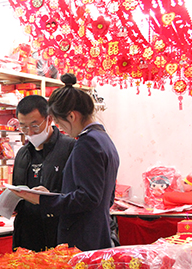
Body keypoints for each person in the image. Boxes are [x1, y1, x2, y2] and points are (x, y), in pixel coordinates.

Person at [12, 74, 119, 251]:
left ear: (71, 116)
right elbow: (105, 197)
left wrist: (44, 200)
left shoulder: (87, 143)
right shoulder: (102, 138)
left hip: (82, 237)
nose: (61, 129)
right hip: (95, 232)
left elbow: (87, 198)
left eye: (60, 123)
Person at [12, 95, 76, 252]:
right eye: (23, 127)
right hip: (26, 235)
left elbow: (79, 195)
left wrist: (50, 198)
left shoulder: (70, 148)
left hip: (58, 235)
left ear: (49, 119)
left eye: (35, 126)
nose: (30, 133)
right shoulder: (22, 153)